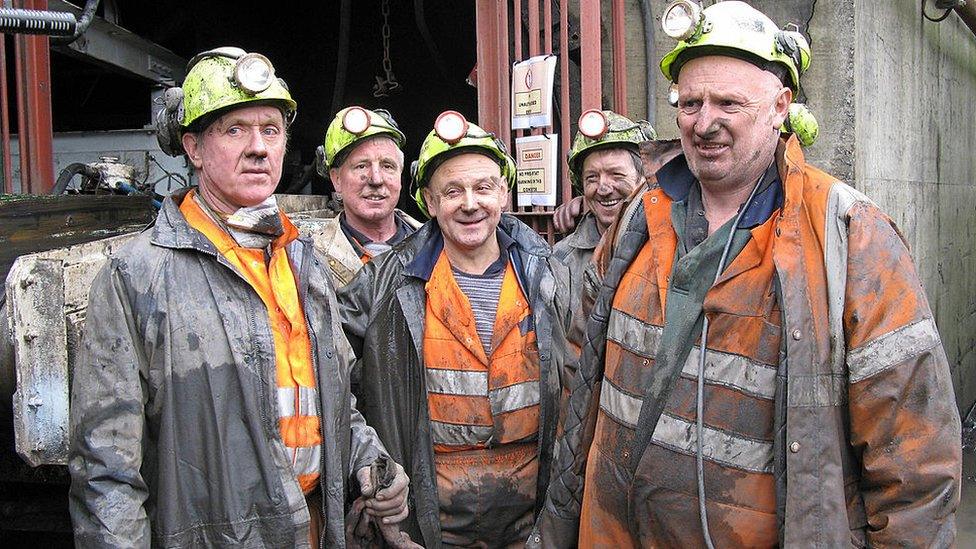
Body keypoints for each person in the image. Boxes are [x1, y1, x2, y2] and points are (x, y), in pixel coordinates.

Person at [530, 2, 961, 547]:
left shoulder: (849, 234)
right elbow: (582, 364)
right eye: (689, 103)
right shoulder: (642, 213)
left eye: (728, 102)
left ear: (780, 106)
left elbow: (913, 454)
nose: (703, 122)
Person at [68, 47, 408, 547]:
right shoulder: (137, 276)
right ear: (194, 148)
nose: (258, 148)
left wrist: (369, 458)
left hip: (313, 528)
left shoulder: (301, 261)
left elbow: (330, 402)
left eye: (270, 129)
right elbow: (106, 470)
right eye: (234, 130)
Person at [338, 111, 571, 547]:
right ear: (428, 201)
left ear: (504, 191)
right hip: (429, 522)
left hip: (530, 524)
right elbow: (328, 377)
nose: (469, 203)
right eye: (452, 191)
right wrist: (366, 463)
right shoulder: (384, 283)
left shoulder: (549, 276)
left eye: (483, 187)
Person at [553, 110, 655, 359]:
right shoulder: (561, 260)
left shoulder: (670, 245)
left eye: (616, 175)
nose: (604, 188)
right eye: (592, 178)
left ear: (644, 178)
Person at [313, 106, 422, 287]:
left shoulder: (436, 246)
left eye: (388, 166)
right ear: (336, 179)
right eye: (361, 166)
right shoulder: (310, 258)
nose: (376, 180)